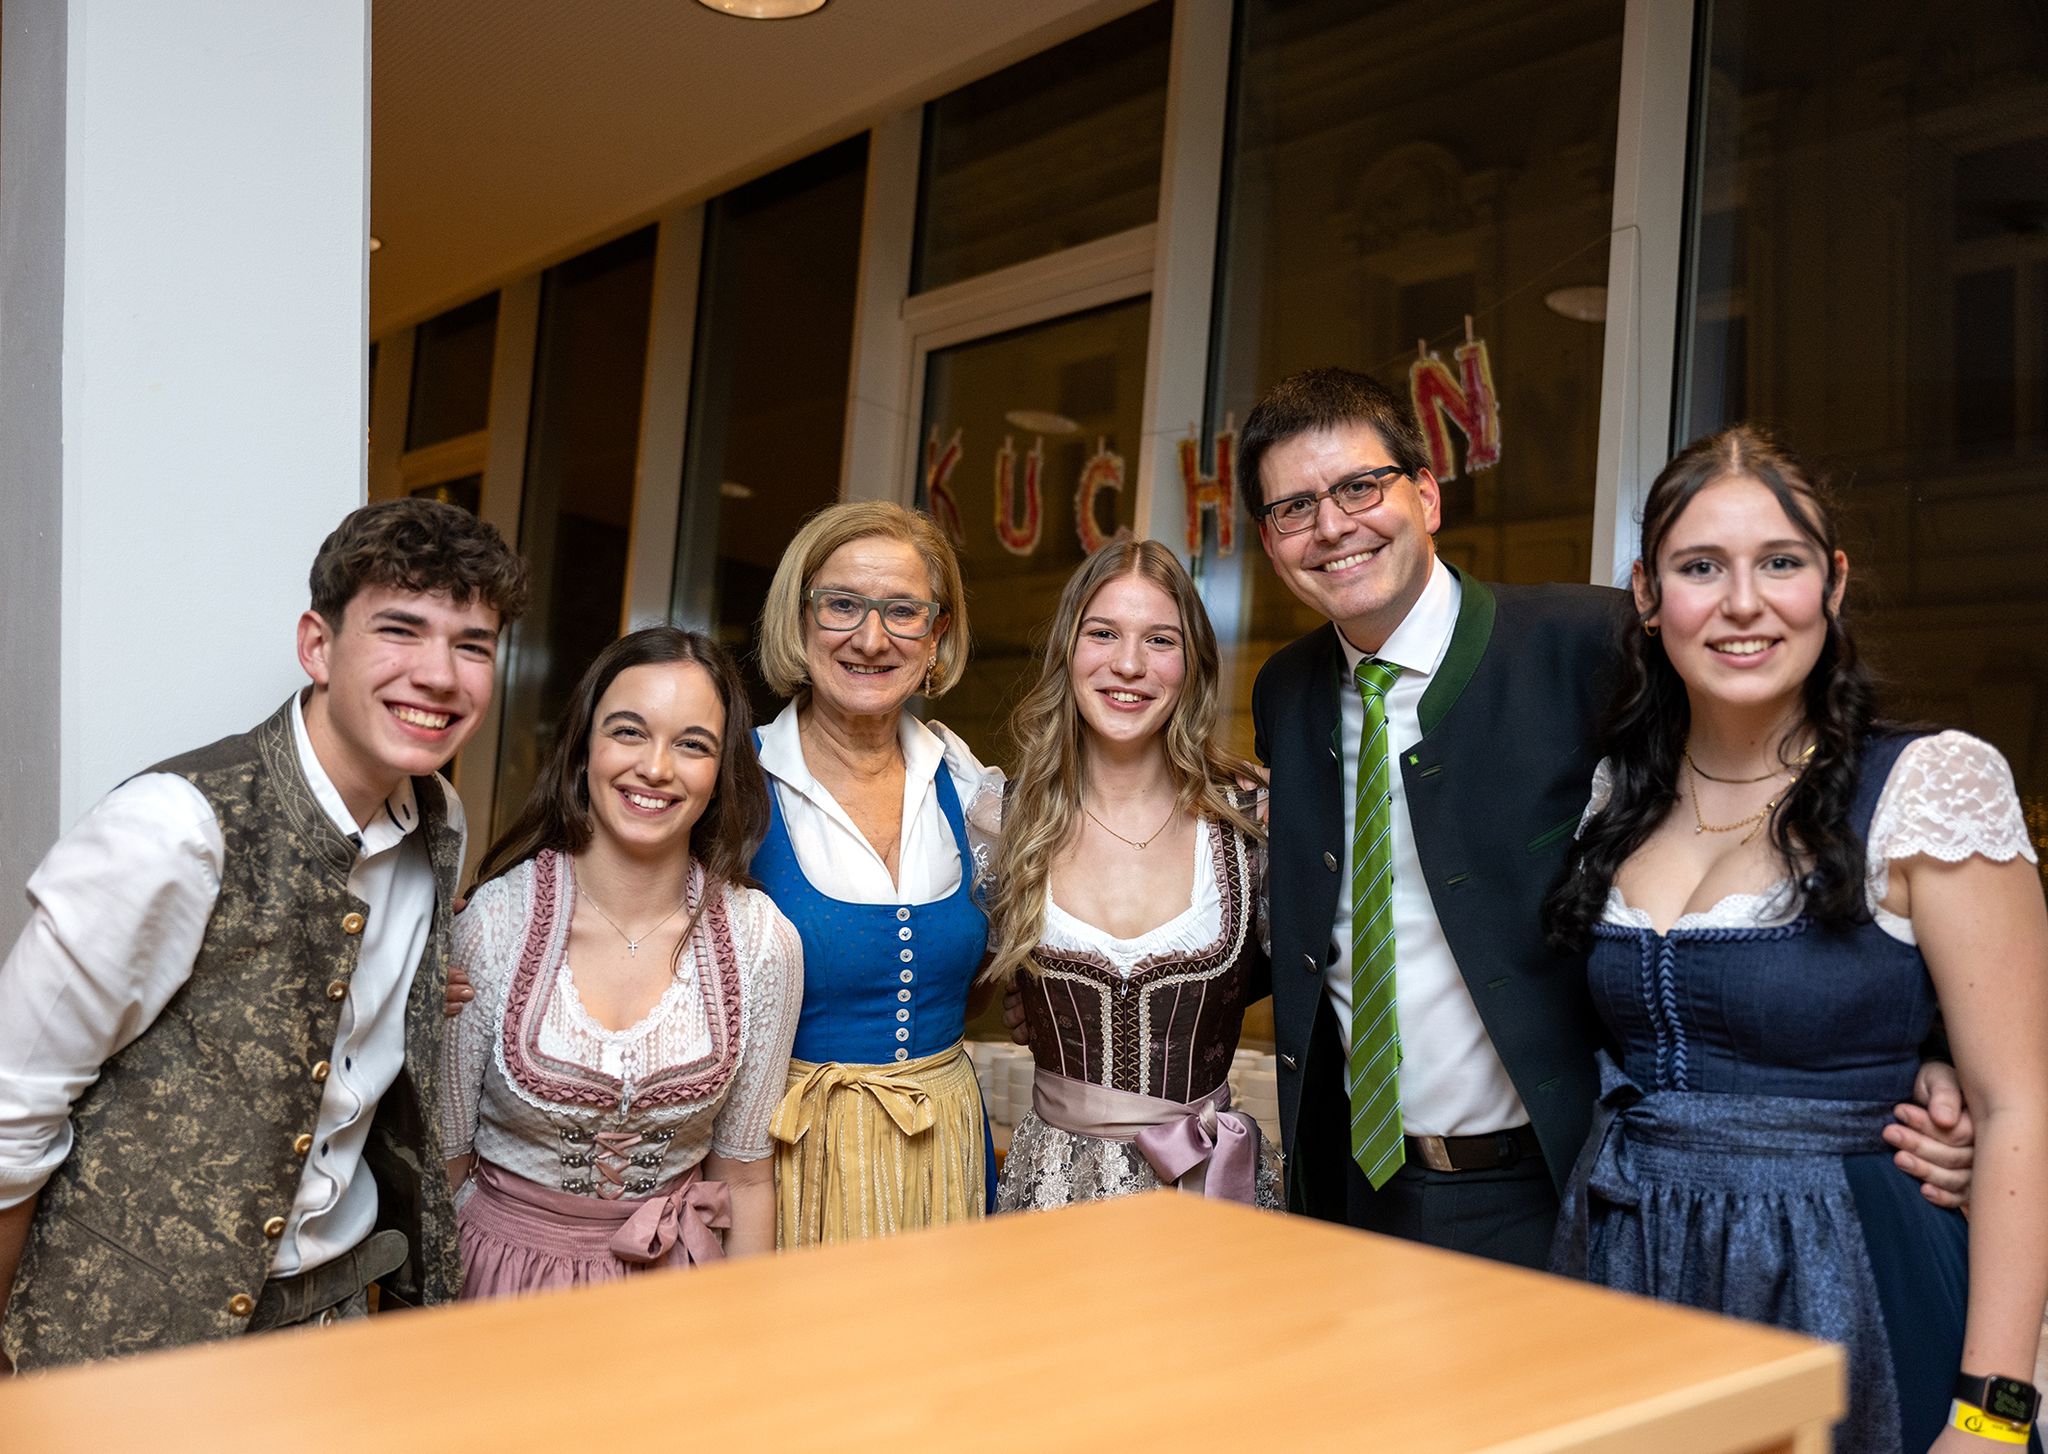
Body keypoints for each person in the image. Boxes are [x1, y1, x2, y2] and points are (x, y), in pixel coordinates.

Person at [1241, 366, 1973, 1267]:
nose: (1331, 526)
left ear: (1426, 495)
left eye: (1360, 487)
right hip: (1354, 1193)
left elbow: (1801, 796)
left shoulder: (1595, 645)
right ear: (1269, 541)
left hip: (1556, 1190)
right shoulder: (1286, 692)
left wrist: (1934, 1055)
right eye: (1295, 508)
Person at [1543, 427, 2048, 1454]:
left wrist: (1992, 1413)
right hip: (1633, 1272)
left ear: (1833, 584)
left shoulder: (1929, 784)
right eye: (1700, 568)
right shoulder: (1618, 793)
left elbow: (2017, 1108)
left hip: (1851, 1283)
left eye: (1779, 562)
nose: (1743, 602)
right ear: (1647, 595)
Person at [0, 498, 528, 1370]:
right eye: (401, 630)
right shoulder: (173, 828)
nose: (440, 675)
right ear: (317, 645)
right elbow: (10, 1120)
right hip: (122, 1342)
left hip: (331, 1322)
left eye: (472, 645)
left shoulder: (441, 819)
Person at [439, 628, 800, 1294]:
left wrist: (745, 1333)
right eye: (629, 732)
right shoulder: (494, 922)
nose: (656, 768)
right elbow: (445, 1162)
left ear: (721, 773)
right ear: (584, 749)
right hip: (498, 1286)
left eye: (692, 744)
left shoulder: (761, 941)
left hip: (672, 1290)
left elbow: (745, 1180)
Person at [985, 539, 1277, 1210]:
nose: (1128, 664)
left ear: (1193, 664)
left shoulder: (1254, 822)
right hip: (1051, 1196)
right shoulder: (1000, 819)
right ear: (1067, 648)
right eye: (1103, 633)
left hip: (1203, 1194)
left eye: (1160, 640)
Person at [751, 501, 1002, 1246]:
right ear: (800, 620)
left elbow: (986, 974)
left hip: (947, 1149)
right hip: (791, 1157)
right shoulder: (736, 782)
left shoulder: (966, 785)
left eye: (902, 611)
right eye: (842, 605)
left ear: (937, 635)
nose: (870, 638)